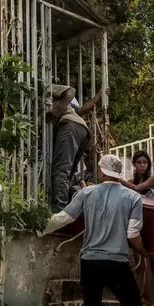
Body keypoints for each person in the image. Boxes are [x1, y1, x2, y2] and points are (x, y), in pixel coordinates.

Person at [42, 154, 154, 306]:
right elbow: (133, 235)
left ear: (102, 173)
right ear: (119, 174)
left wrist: (39, 230)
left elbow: (63, 217)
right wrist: (145, 253)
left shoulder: (86, 193)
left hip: (90, 263)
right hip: (117, 263)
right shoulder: (133, 197)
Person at [47, 84, 106, 212]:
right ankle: (67, 209)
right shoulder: (65, 100)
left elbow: (70, 92)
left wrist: (51, 113)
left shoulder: (48, 88)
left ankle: (59, 212)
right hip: (81, 128)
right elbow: (80, 110)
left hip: (69, 126)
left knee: (61, 171)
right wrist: (97, 98)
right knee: (67, 173)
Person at [123, 150, 154, 306]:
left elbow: (138, 189)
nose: (143, 165)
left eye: (145, 162)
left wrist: (118, 180)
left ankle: (153, 302)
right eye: (139, 163)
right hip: (137, 225)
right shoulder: (129, 182)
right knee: (139, 265)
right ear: (135, 166)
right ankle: (137, 303)